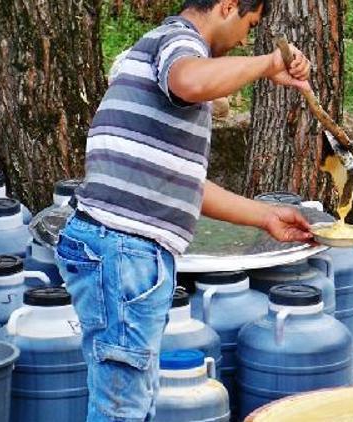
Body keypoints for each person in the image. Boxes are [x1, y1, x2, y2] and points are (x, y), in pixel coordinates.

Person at [54, 0, 314, 420]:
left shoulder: (163, 54)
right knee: (122, 406)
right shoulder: (178, 41)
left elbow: (183, 184)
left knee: (131, 397)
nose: (247, 38)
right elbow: (190, 81)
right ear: (227, 6)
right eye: (250, 25)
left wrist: (264, 216)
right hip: (125, 250)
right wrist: (268, 63)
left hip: (120, 249)